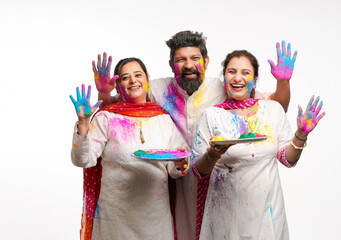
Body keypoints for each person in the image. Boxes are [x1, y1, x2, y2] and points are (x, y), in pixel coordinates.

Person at [94, 31, 298, 240]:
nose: (188, 65)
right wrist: (103, 93)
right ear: (171, 64)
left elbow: (274, 107)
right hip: (178, 183)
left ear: (206, 62)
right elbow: (122, 109)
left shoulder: (224, 87)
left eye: (194, 59)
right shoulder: (157, 88)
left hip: (217, 183)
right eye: (181, 60)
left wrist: (283, 82)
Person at [191, 50, 325, 239]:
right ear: (224, 78)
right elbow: (198, 171)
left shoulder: (272, 110)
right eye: (231, 71)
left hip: (268, 216)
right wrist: (213, 154)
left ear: (255, 78)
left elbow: (287, 160)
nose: (238, 78)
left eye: (245, 72)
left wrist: (301, 134)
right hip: (225, 217)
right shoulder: (211, 116)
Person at [70, 57, 189, 240]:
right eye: (125, 77)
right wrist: (83, 123)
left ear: (147, 80)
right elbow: (83, 160)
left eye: (138, 75)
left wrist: (181, 162)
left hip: (156, 219)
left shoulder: (163, 119)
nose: (133, 80)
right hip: (116, 219)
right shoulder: (107, 117)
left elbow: (175, 168)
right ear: (117, 86)